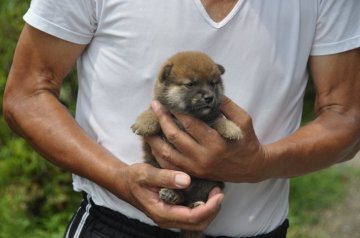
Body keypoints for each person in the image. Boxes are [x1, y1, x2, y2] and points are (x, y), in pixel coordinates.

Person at [3, 0, 360, 237]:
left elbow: (346, 116)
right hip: (118, 225)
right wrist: (118, 178)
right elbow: (26, 94)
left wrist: (262, 163)